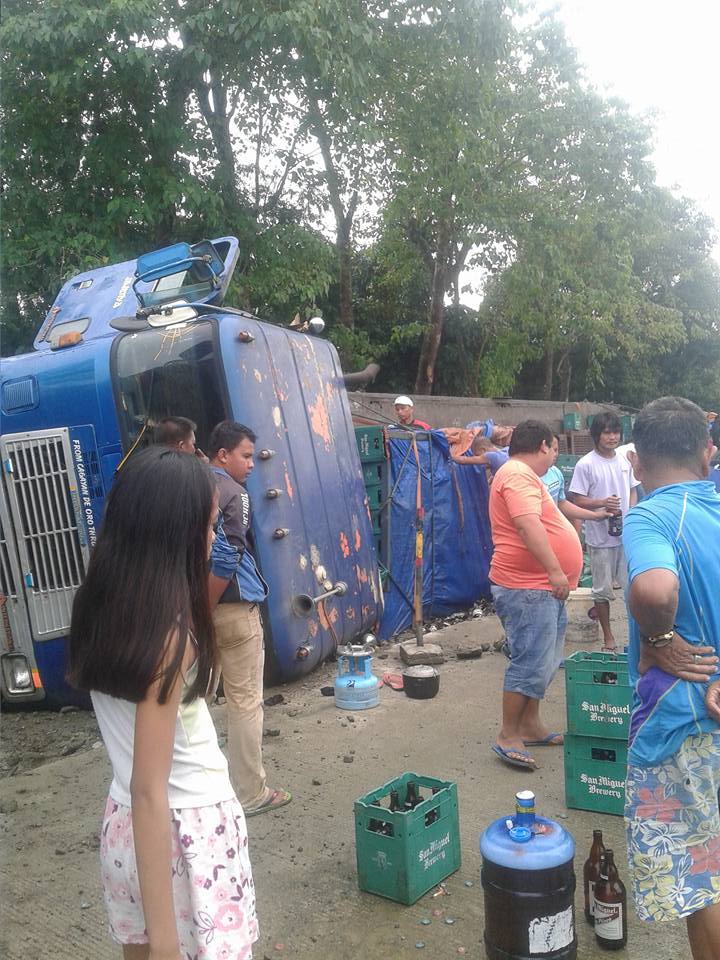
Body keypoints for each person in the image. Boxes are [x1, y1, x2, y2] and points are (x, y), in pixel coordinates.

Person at [67, 446, 257, 960]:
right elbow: (151, 788)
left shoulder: (95, 606)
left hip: (125, 829)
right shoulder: (169, 636)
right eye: (208, 526)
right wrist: (168, 943)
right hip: (186, 831)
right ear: (174, 532)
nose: (213, 537)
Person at [621, 397, 720, 960]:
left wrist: (658, 643)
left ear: (636, 462)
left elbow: (655, 589)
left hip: (683, 727)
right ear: (707, 453)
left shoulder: (651, 515)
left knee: (701, 876)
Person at [207, 421, 291, 816]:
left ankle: (201, 792)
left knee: (197, 702)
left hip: (195, 614)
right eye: (245, 456)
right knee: (243, 702)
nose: (252, 465)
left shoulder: (188, 486)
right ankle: (249, 793)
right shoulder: (233, 493)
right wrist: (208, 602)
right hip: (234, 610)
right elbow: (230, 554)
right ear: (222, 455)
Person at [488, 420, 583, 770]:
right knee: (529, 660)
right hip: (528, 588)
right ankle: (508, 734)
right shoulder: (517, 475)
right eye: (554, 450)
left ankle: (529, 724)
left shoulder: (522, 476)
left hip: (541, 589)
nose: (554, 458)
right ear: (543, 445)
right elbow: (527, 525)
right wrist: (555, 570)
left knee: (544, 660)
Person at [568, 411, 640, 652]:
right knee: (602, 590)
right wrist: (602, 504)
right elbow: (578, 499)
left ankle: (636, 636)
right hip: (600, 538)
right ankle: (608, 636)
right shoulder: (585, 464)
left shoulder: (624, 461)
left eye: (615, 432)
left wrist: (629, 512)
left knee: (633, 588)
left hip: (625, 536)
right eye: (607, 432)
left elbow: (632, 490)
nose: (612, 437)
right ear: (597, 435)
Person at [541, 434, 610, 527]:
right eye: (554, 450)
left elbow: (562, 503)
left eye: (557, 450)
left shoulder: (555, 472)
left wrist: (595, 516)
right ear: (543, 448)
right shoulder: (526, 477)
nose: (556, 454)